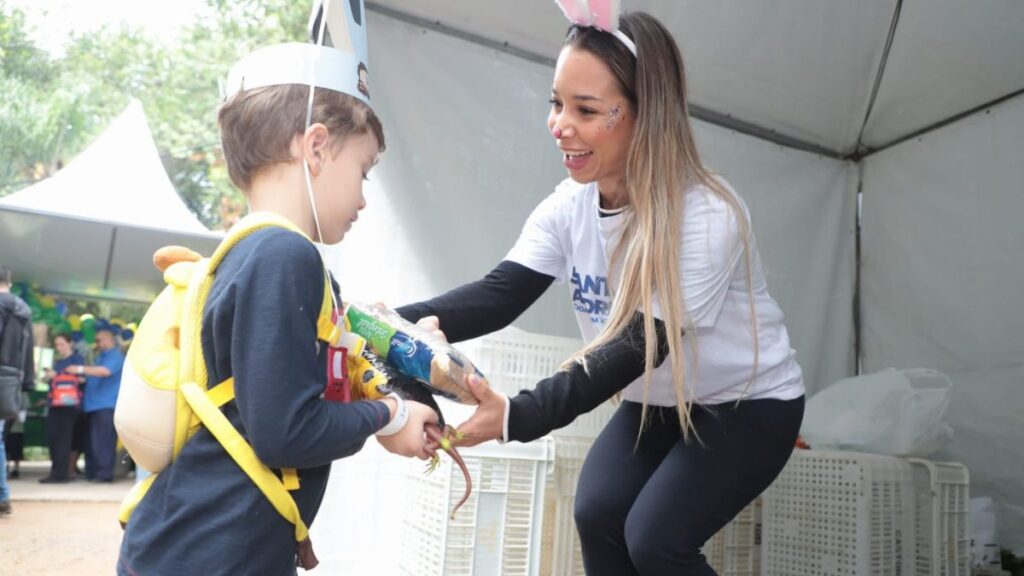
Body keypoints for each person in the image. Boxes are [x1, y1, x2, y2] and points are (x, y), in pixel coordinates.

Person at [399, 12, 805, 576]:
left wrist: (521, 414)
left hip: (747, 406)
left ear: (646, 117)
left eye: (586, 110)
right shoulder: (570, 206)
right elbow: (497, 295)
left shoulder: (708, 215)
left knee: (656, 539)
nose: (559, 124)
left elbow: (638, 346)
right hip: (659, 402)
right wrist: (379, 324)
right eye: (556, 103)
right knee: (597, 513)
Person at [117, 30, 439, 576]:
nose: (363, 197)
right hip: (206, 556)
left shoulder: (256, 253)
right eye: (363, 171)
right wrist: (392, 413)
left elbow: (279, 412)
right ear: (315, 147)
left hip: (209, 547)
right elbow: (287, 432)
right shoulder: (283, 255)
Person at [66, 327, 124, 483]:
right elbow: (94, 375)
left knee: (103, 442)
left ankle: (104, 474)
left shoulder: (115, 355)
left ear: (108, 339)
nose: (96, 343)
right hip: (93, 405)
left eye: (99, 340)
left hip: (106, 405)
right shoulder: (101, 357)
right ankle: (93, 471)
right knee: (92, 442)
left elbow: (104, 372)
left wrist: (79, 369)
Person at [1, 264, 35, 517]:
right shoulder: (23, 310)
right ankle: (2, 495)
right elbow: (28, 348)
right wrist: (27, 383)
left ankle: (2, 495)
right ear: (9, 281)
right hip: (10, 379)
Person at [40, 333, 85, 483]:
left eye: (62, 344)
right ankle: (56, 471)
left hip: (69, 405)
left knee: (63, 440)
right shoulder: (59, 362)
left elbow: (82, 379)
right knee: (54, 438)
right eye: (57, 344)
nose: (59, 347)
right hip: (55, 404)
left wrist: (57, 375)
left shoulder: (76, 360)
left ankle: (61, 474)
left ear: (70, 343)